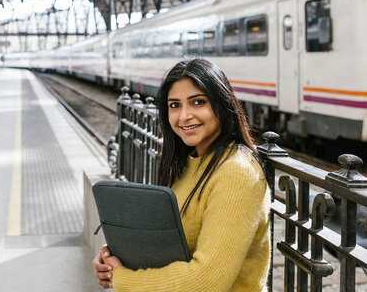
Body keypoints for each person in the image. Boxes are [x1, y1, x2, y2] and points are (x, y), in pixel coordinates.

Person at [92, 57, 271, 291]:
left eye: (198, 102)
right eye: (174, 105)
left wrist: (122, 278)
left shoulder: (237, 172)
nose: (184, 116)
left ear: (222, 104)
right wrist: (115, 258)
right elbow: (170, 240)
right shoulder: (190, 162)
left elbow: (207, 281)